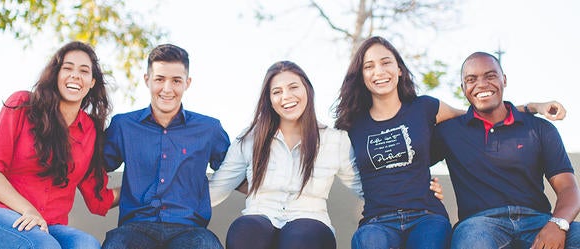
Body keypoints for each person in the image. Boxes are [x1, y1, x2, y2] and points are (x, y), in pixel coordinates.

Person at [332, 36, 566, 249]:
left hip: (426, 214)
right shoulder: (352, 124)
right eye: (369, 66)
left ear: (400, 69)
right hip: (377, 219)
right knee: (369, 242)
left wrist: (531, 108)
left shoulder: (425, 107)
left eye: (386, 62)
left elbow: (477, 113)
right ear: (361, 75)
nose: (379, 71)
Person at [208, 60, 445, 249]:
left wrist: (418, 186)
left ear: (307, 90)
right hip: (259, 215)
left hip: (310, 222)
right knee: (246, 229)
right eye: (276, 92)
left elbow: (368, 186)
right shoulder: (250, 139)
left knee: (299, 236)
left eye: (293, 87)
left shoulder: (334, 140)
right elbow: (218, 187)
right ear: (269, 100)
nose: (286, 97)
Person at [432, 51, 580, 249]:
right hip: (479, 225)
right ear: (463, 88)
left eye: (490, 76)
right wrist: (428, 186)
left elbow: (568, 188)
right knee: (473, 242)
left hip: (537, 221)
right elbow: (408, 164)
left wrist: (558, 224)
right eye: (471, 79)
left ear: (504, 79)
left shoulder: (539, 128)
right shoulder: (448, 131)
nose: (482, 84)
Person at [0, 41, 119, 249]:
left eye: (84, 70)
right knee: (44, 246)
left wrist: (139, 186)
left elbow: (98, 199)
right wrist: (28, 210)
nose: (75, 75)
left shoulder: (90, 131)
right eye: (68, 68)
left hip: (49, 226)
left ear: (92, 82)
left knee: (87, 245)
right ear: (56, 74)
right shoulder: (22, 105)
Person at [101, 44, 230, 249]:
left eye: (176, 81)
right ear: (147, 80)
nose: (167, 89)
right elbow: (92, 164)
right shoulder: (123, 125)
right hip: (134, 228)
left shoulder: (209, 129)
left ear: (187, 83)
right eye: (160, 79)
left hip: (190, 230)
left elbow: (236, 170)